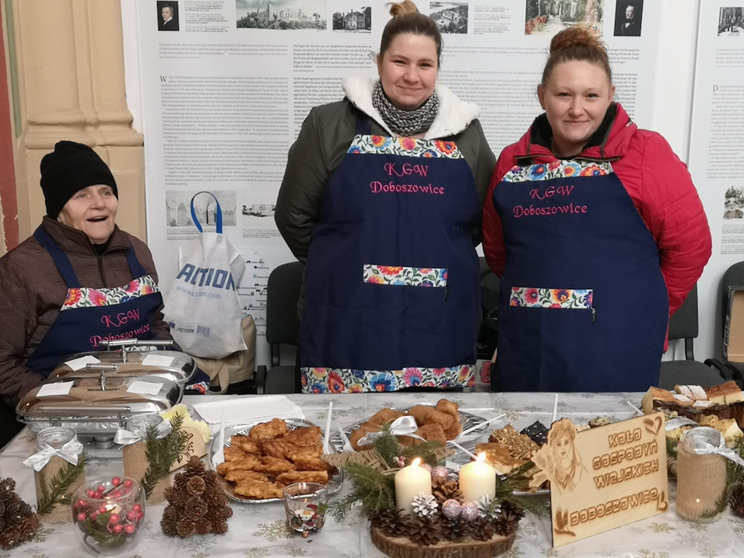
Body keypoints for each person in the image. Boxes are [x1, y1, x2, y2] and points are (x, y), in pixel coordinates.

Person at [275, 0, 495, 393]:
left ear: (437, 69)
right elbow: (294, 218)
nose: (412, 76)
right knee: (338, 447)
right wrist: (345, 261)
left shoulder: (467, 134)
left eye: (424, 65)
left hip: (438, 321)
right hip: (349, 323)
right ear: (378, 62)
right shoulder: (328, 126)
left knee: (433, 444)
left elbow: (478, 223)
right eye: (400, 62)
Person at [482, 27, 711, 392]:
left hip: (618, 347)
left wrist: (642, 307)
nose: (577, 109)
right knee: (523, 443)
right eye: (563, 94)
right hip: (528, 347)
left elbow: (691, 249)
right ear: (542, 96)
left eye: (591, 95)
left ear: (610, 97)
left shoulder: (647, 155)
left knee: (610, 444)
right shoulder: (512, 162)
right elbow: (498, 252)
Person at [0, 141, 208, 445]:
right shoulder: (21, 268)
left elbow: (154, 323)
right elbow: (3, 365)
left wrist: (170, 376)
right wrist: (64, 404)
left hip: (143, 411)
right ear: (58, 207)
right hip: (60, 427)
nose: (98, 203)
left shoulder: (135, 251)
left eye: (106, 192)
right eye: (81, 195)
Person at [530, 419, 585, 495]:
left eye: (566, 442)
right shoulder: (551, 464)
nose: (563, 448)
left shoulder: (579, 465)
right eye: (558, 444)